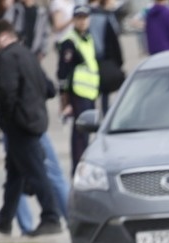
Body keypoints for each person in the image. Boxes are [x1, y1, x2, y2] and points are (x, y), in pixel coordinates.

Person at [0, 19, 63, 236]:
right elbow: (49, 88)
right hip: (33, 121)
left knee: (36, 173)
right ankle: (5, 219)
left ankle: (51, 217)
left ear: (2, 36)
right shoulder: (27, 54)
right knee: (14, 175)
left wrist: (6, 119)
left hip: (20, 126)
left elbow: (7, 92)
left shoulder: (7, 57)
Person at [58, 5, 101, 175]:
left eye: (85, 18)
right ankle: (77, 168)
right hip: (77, 92)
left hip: (90, 92)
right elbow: (63, 71)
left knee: (87, 132)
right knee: (80, 133)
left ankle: (84, 165)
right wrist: (64, 100)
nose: (82, 21)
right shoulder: (70, 41)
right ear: (74, 20)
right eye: (79, 18)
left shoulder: (88, 38)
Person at [89, 0, 126, 112]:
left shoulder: (87, 16)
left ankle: (99, 114)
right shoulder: (104, 17)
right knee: (106, 90)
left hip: (92, 59)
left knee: (97, 92)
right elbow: (113, 41)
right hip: (105, 59)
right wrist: (119, 61)